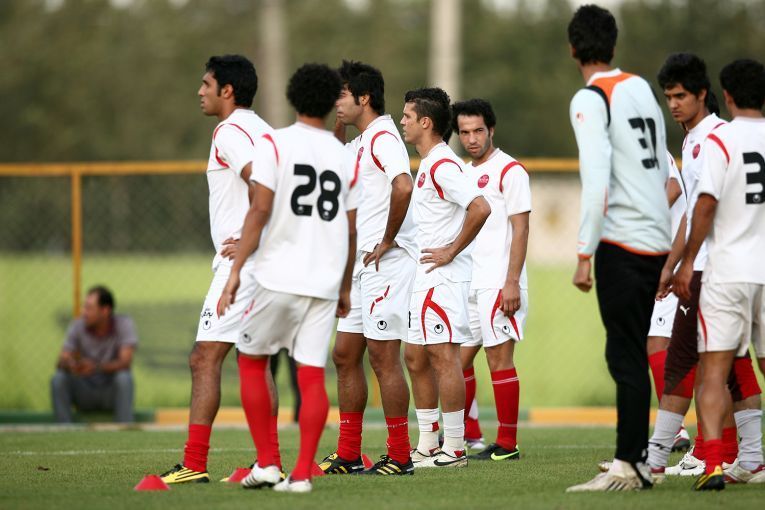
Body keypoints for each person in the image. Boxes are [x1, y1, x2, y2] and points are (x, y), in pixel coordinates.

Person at [218, 63, 357, 494]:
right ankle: (300, 475)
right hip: (324, 281)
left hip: (277, 275)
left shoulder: (274, 143)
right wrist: (346, 286)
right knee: (311, 373)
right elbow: (351, 229)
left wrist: (235, 271)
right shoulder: (343, 155)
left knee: (251, 359)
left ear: (293, 97)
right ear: (331, 101)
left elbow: (259, 209)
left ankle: (266, 464)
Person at [565, 5, 671, 492]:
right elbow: (660, 166)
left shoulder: (590, 97)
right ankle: (637, 461)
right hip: (656, 238)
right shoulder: (640, 87)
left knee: (624, 356)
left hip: (622, 241)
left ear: (573, 49)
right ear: (613, 44)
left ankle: (629, 465)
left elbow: (596, 181)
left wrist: (583, 253)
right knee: (633, 352)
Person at [161, 55, 275, 485]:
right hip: (268, 261)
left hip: (242, 264)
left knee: (204, 356)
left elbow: (260, 181)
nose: (200, 91)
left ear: (227, 90)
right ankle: (269, 461)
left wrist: (250, 238)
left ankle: (194, 464)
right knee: (255, 361)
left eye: (206, 84)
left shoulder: (228, 131)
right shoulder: (264, 129)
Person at [648, 52, 762, 479]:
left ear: (707, 94)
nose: (673, 104)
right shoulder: (700, 137)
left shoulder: (714, 139)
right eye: (668, 97)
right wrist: (672, 262)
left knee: (681, 360)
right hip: (738, 266)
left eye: (680, 96)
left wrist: (682, 265)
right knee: (737, 365)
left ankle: (656, 459)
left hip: (716, 269)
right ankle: (749, 457)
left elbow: (703, 210)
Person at [319, 60, 417, 476]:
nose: (335, 102)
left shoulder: (383, 137)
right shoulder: (361, 141)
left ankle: (400, 455)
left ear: (364, 98)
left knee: (382, 357)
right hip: (362, 268)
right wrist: (339, 122)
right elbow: (333, 159)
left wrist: (389, 238)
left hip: (386, 265)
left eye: (342, 95)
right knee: (344, 354)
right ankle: (348, 453)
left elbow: (403, 185)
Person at [401, 87, 491, 469]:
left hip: (444, 278)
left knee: (444, 357)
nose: (402, 122)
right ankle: (427, 444)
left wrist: (452, 250)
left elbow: (480, 207)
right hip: (425, 277)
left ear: (426, 122)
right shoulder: (427, 164)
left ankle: (454, 448)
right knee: (414, 356)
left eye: (407, 116)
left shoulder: (443, 165)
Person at [452, 98, 530, 462]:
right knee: (457, 361)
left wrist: (511, 281)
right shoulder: (462, 173)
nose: (472, 138)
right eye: (464, 132)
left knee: (499, 359)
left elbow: (521, 228)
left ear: (491, 130)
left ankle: (507, 444)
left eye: (478, 130)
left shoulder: (510, 170)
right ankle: (470, 434)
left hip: (499, 281)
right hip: (469, 281)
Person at [51, 286, 136, 423]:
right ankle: (64, 428)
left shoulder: (124, 324)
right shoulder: (77, 326)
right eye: (84, 307)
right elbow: (61, 361)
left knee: (124, 378)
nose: (83, 312)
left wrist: (96, 367)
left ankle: (124, 426)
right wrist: (73, 365)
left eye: (89, 308)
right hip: (84, 391)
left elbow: (125, 362)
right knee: (59, 378)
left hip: (110, 393)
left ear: (105, 310)